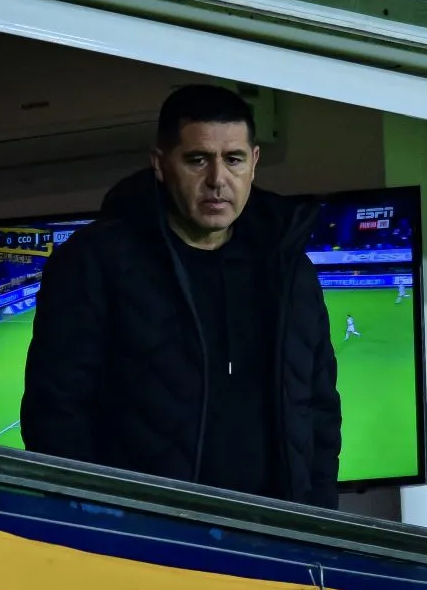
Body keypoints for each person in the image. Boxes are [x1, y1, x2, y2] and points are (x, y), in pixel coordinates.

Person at [20, 84, 342, 509]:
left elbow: (319, 410)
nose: (217, 180)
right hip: (148, 542)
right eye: (197, 160)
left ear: (254, 163)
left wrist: (316, 520)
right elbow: (56, 412)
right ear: (160, 164)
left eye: (233, 160)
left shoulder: (290, 271)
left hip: (276, 541)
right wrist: (106, 522)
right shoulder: (94, 263)